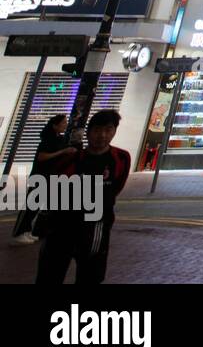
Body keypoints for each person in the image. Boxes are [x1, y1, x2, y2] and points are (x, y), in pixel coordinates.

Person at [35, 110, 131, 285]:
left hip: (95, 229)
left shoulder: (121, 159)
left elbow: (116, 188)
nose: (102, 135)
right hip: (61, 227)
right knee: (48, 276)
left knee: (90, 277)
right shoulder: (70, 159)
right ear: (88, 132)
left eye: (108, 130)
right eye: (97, 130)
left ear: (114, 131)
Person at [13, 114, 76, 244]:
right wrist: (62, 152)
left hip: (49, 176)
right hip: (40, 175)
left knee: (36, 206)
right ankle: (18, 233)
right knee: (30, 206)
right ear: (55, 125)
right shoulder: (48, 139)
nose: (65, 124)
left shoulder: (59, 139)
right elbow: (41, 157)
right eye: (63, 123)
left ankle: (27, 231)